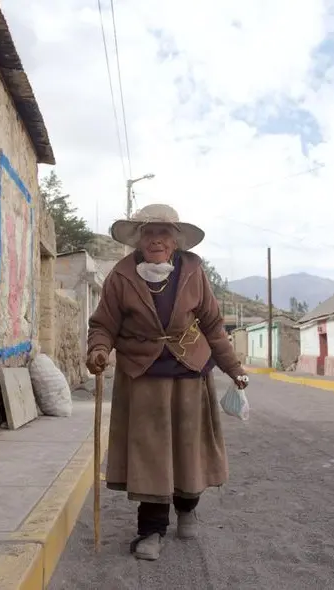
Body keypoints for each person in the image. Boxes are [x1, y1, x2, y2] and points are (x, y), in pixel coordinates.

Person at [85, 203, 249, 561]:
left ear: (176, 242)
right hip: (142, 376)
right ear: (139, 239)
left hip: (190, 372)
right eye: (149, 233)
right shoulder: (121, 275)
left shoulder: (193, 271)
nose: (156, 240)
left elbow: (213, 326)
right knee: (149, 454)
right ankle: (151, 530)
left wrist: (233, 368)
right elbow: (103, 324)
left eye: (164, 234)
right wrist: (99, 350)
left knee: (190, 447)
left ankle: (188, 509)